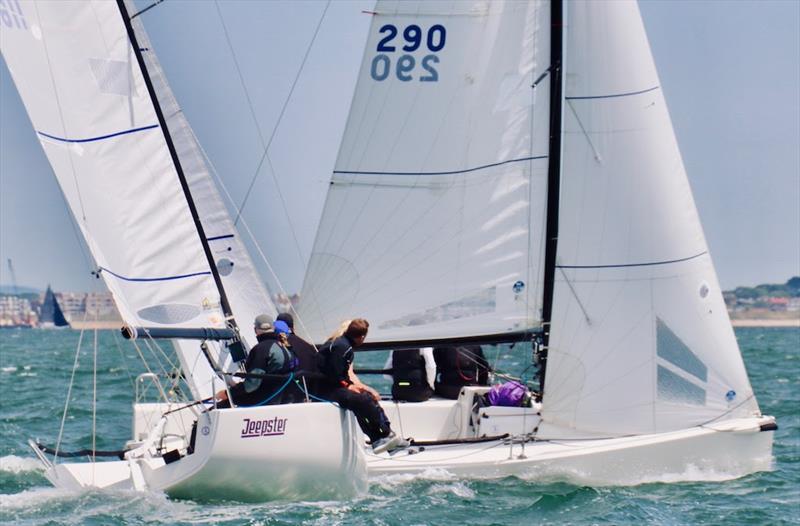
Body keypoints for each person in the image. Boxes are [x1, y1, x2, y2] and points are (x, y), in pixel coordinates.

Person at [318, 319, 407, 453]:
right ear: (362, 337)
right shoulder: (342, 347)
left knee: (365, 397)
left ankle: (383, 437)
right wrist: (347, 385)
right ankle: (382, 436)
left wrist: (351, 385)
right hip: (325, 389)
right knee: (362, 400)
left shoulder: (342, 343)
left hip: (331, 386)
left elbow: (338, 372)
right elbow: (334, 373)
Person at [217, 314, 298, 407]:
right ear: (273, 327)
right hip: (280, 399)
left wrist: (227, 393)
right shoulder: (285, 348)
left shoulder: (261, 350)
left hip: (262, 401)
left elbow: (251, 385)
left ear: (255, 330)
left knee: (219, 406)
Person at [274, 312, 322, 402]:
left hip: (283, 397)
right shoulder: (309, 347)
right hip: (308, 395)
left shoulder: (274, 346)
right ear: (293, 327)